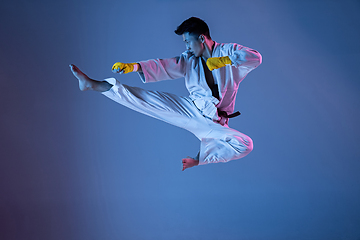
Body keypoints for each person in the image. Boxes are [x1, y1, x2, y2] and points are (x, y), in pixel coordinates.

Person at [69, 17, 262, 171]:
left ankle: (198, 159)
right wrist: (134, 67)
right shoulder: (189, 59)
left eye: (188, 42)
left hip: (213, 122)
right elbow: (166, 65)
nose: (186, 47)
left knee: (245, 144)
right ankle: (93, 85)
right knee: (148, 100)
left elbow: (255, 57)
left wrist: (225, 60)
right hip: (192, 109)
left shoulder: (227, 50)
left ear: (202, 38)